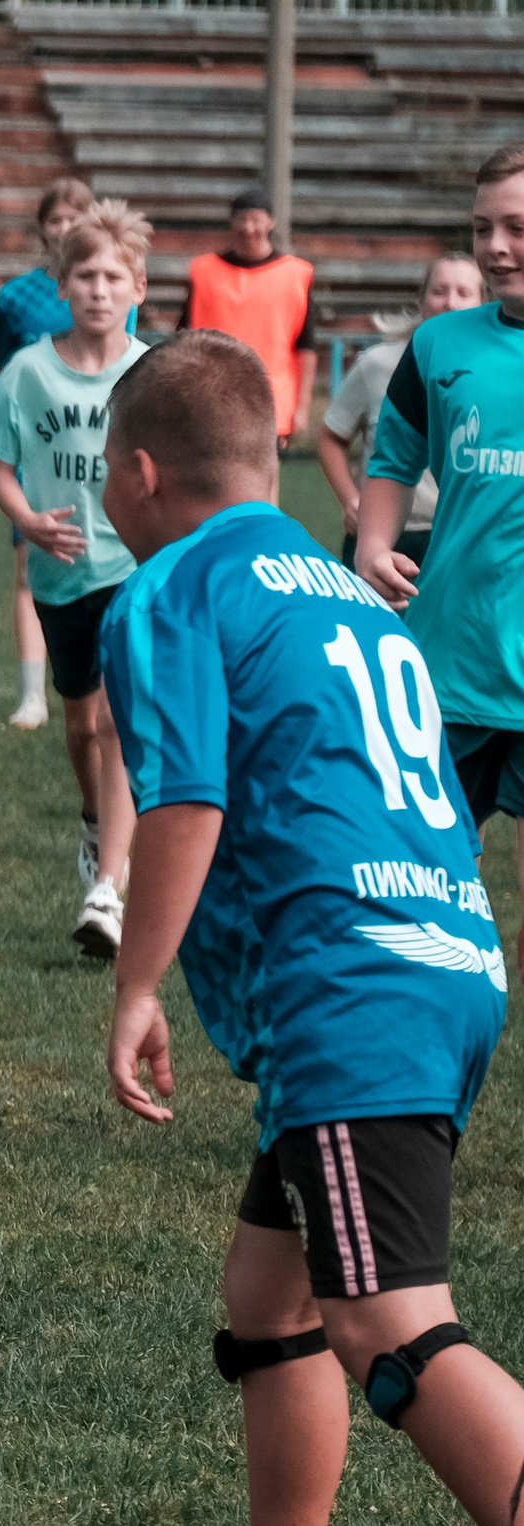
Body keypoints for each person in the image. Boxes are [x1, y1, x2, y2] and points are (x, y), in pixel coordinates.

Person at [100, 328, 524, 1526]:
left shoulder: (172, 586)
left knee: (391, 1326)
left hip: (351, 992)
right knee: (271, 1303)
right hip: (439, 959)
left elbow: (184, 800)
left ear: (137, 470)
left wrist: (137, 984)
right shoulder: (343, 591)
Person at [0, 199, 151, 961]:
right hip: (59, 572)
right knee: (80, 725)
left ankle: (108, 889)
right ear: (61, 283)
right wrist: (31, 521)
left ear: (137, 285)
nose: (99, 289)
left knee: (116, 722)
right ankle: (94, 821)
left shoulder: (152, 372)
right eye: (85, 275)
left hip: (134, 566)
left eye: (114, 276)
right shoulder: (27, 372)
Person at [357, 144, 524, 941]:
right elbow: (393, 454)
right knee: (427, 894)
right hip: (449, 664)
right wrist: (373, 543)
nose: (496, 247)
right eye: (483, 227)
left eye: (518, 228)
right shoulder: (439, 346)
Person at [0, 176, 98, 731]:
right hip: (32, 448)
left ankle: (105, 686)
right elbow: (3, 375)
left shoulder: (108, 292)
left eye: (77, 218)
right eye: (56, 220)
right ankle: (33, 694)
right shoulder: (15, 296)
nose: (66, 229)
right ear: (43, 229)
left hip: (96, 445)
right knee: (31, 564)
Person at [320, 255, 482, 573]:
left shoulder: (499, 374)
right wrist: (351, 500)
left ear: (482, 304)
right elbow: (330, 437)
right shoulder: (377, 366)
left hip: (458, 541)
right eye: (439, 290)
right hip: (381, 537)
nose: (450, 302)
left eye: (464, 293)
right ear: (421, 300)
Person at [179, 186, 317, 448]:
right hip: (210, 397)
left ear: (271, 222)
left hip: (272, 400)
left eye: (256, 219)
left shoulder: (295, 274)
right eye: (242, 219)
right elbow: (183, 336)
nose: (248, 227)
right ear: (232, 222)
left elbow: (306, 346)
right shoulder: (204, 270)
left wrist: (302, 406)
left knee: (263, 482)